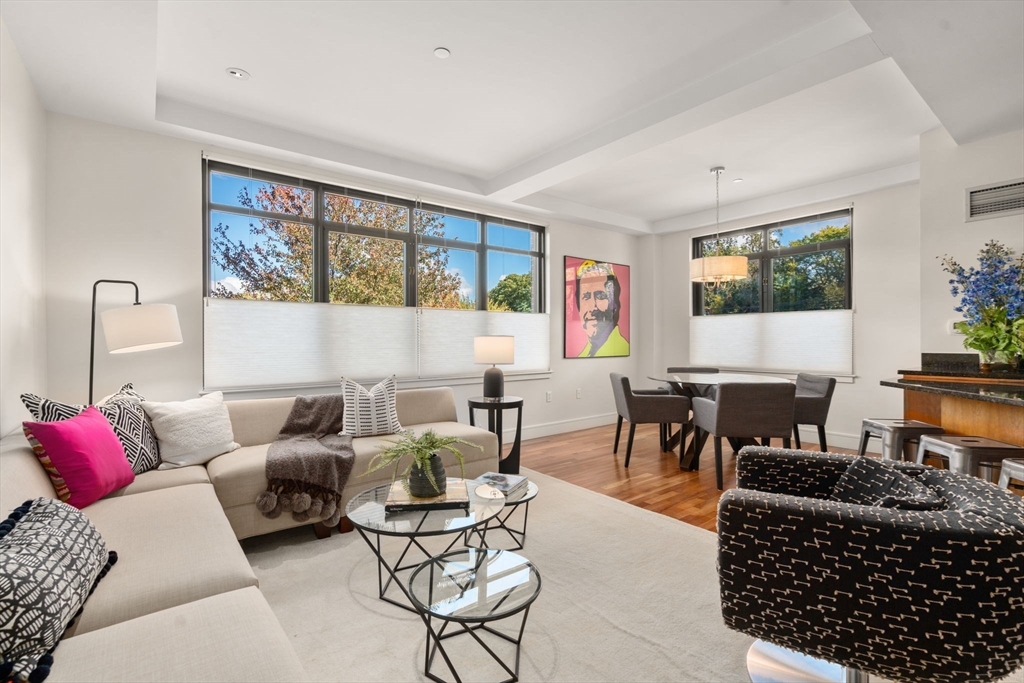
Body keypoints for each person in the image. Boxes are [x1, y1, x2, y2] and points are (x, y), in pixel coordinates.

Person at [574, 260, 629, 357]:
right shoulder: (584, 355)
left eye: (600, 296)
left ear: (614, 305)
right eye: (585, 297)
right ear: (579, 309)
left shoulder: (622, 347)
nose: (592, 307)